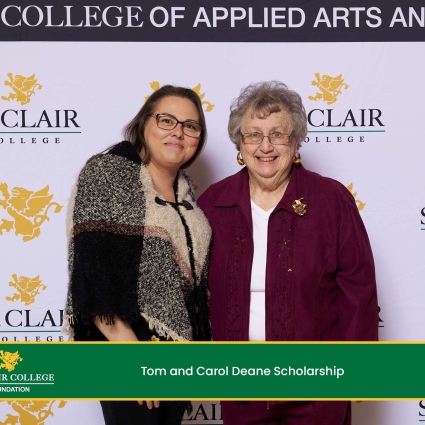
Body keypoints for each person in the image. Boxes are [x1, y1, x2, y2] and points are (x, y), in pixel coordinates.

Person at [198, 81, 378, 425]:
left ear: (295, 142)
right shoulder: (213, 203)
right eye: (253, 135)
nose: (265, 146)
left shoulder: (331, 199)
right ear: (240, 144)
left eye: (277, 134)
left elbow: (358, 289)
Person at [64, 85, 212, 425]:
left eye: (190, 126)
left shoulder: (185, 191)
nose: (178, 132)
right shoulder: (108, 174)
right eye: (167, 120)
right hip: (126, 344)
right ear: (144, 124)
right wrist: (133, 357)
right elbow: (92, 276)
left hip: (176, 348)